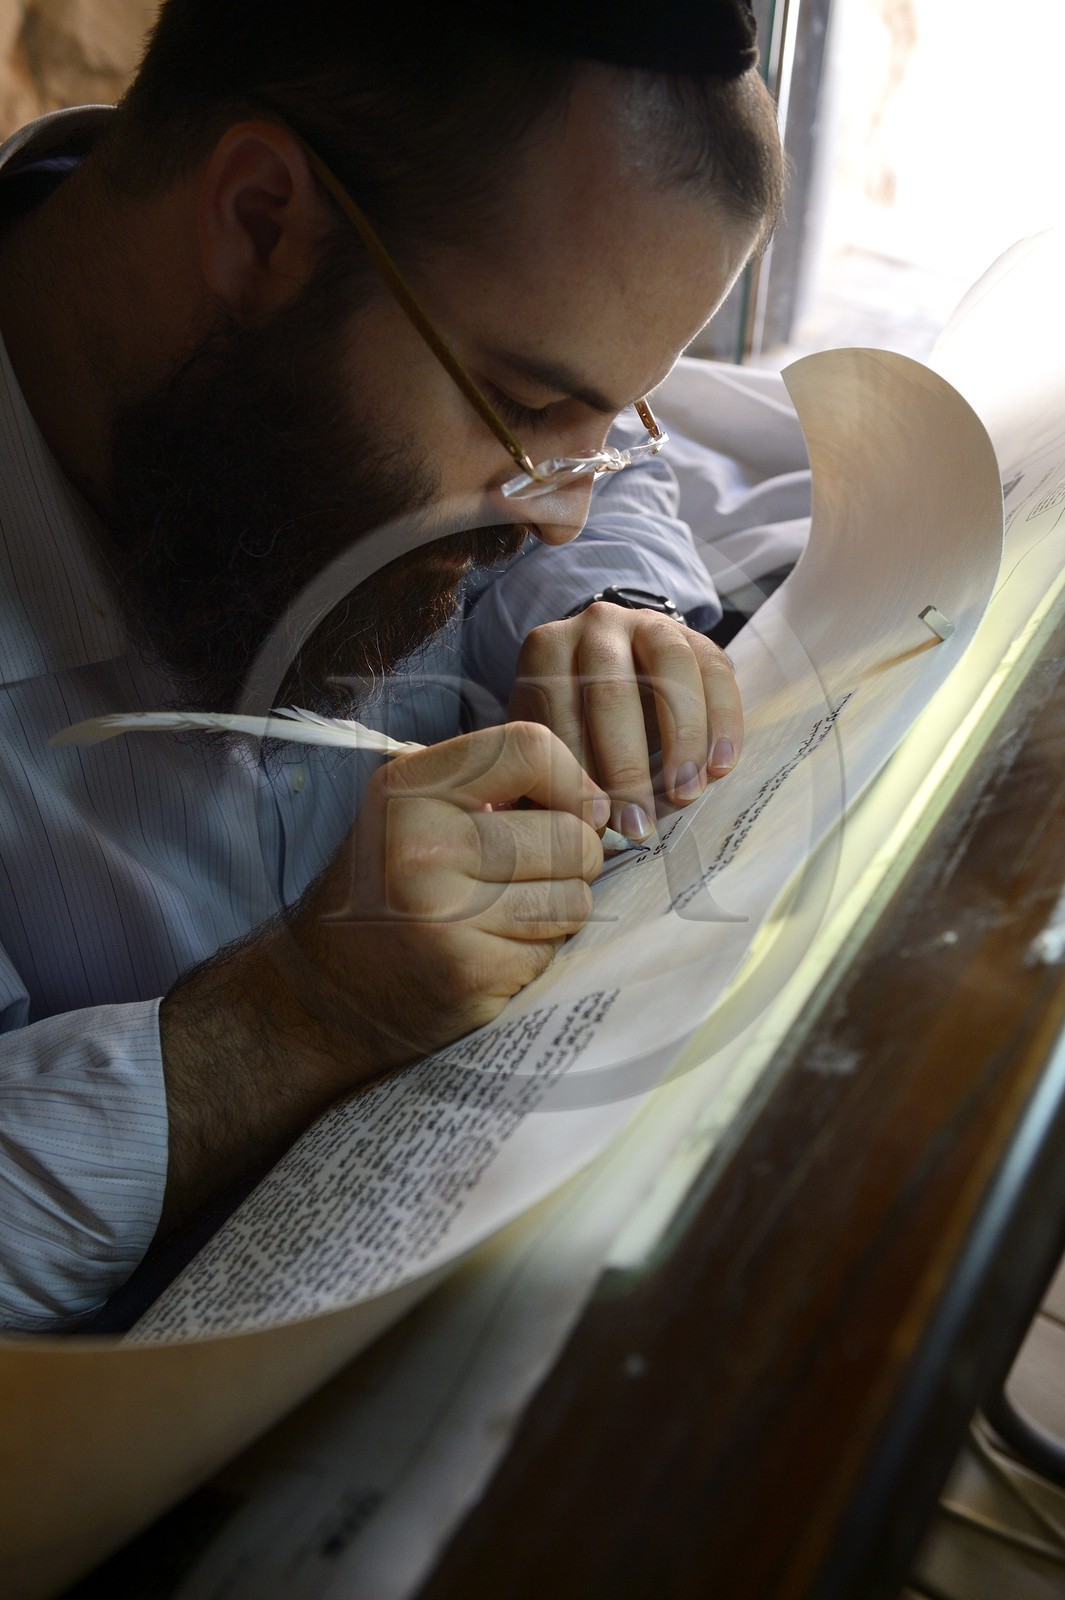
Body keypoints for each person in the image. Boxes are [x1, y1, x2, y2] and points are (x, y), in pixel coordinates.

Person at [0, 0, 784, 1329]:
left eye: (609, 415)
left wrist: (617, 612)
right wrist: (293, 1015)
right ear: (258, 223)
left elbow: (614, 478)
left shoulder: (448, 361)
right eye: (530, 411)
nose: (559, 508)